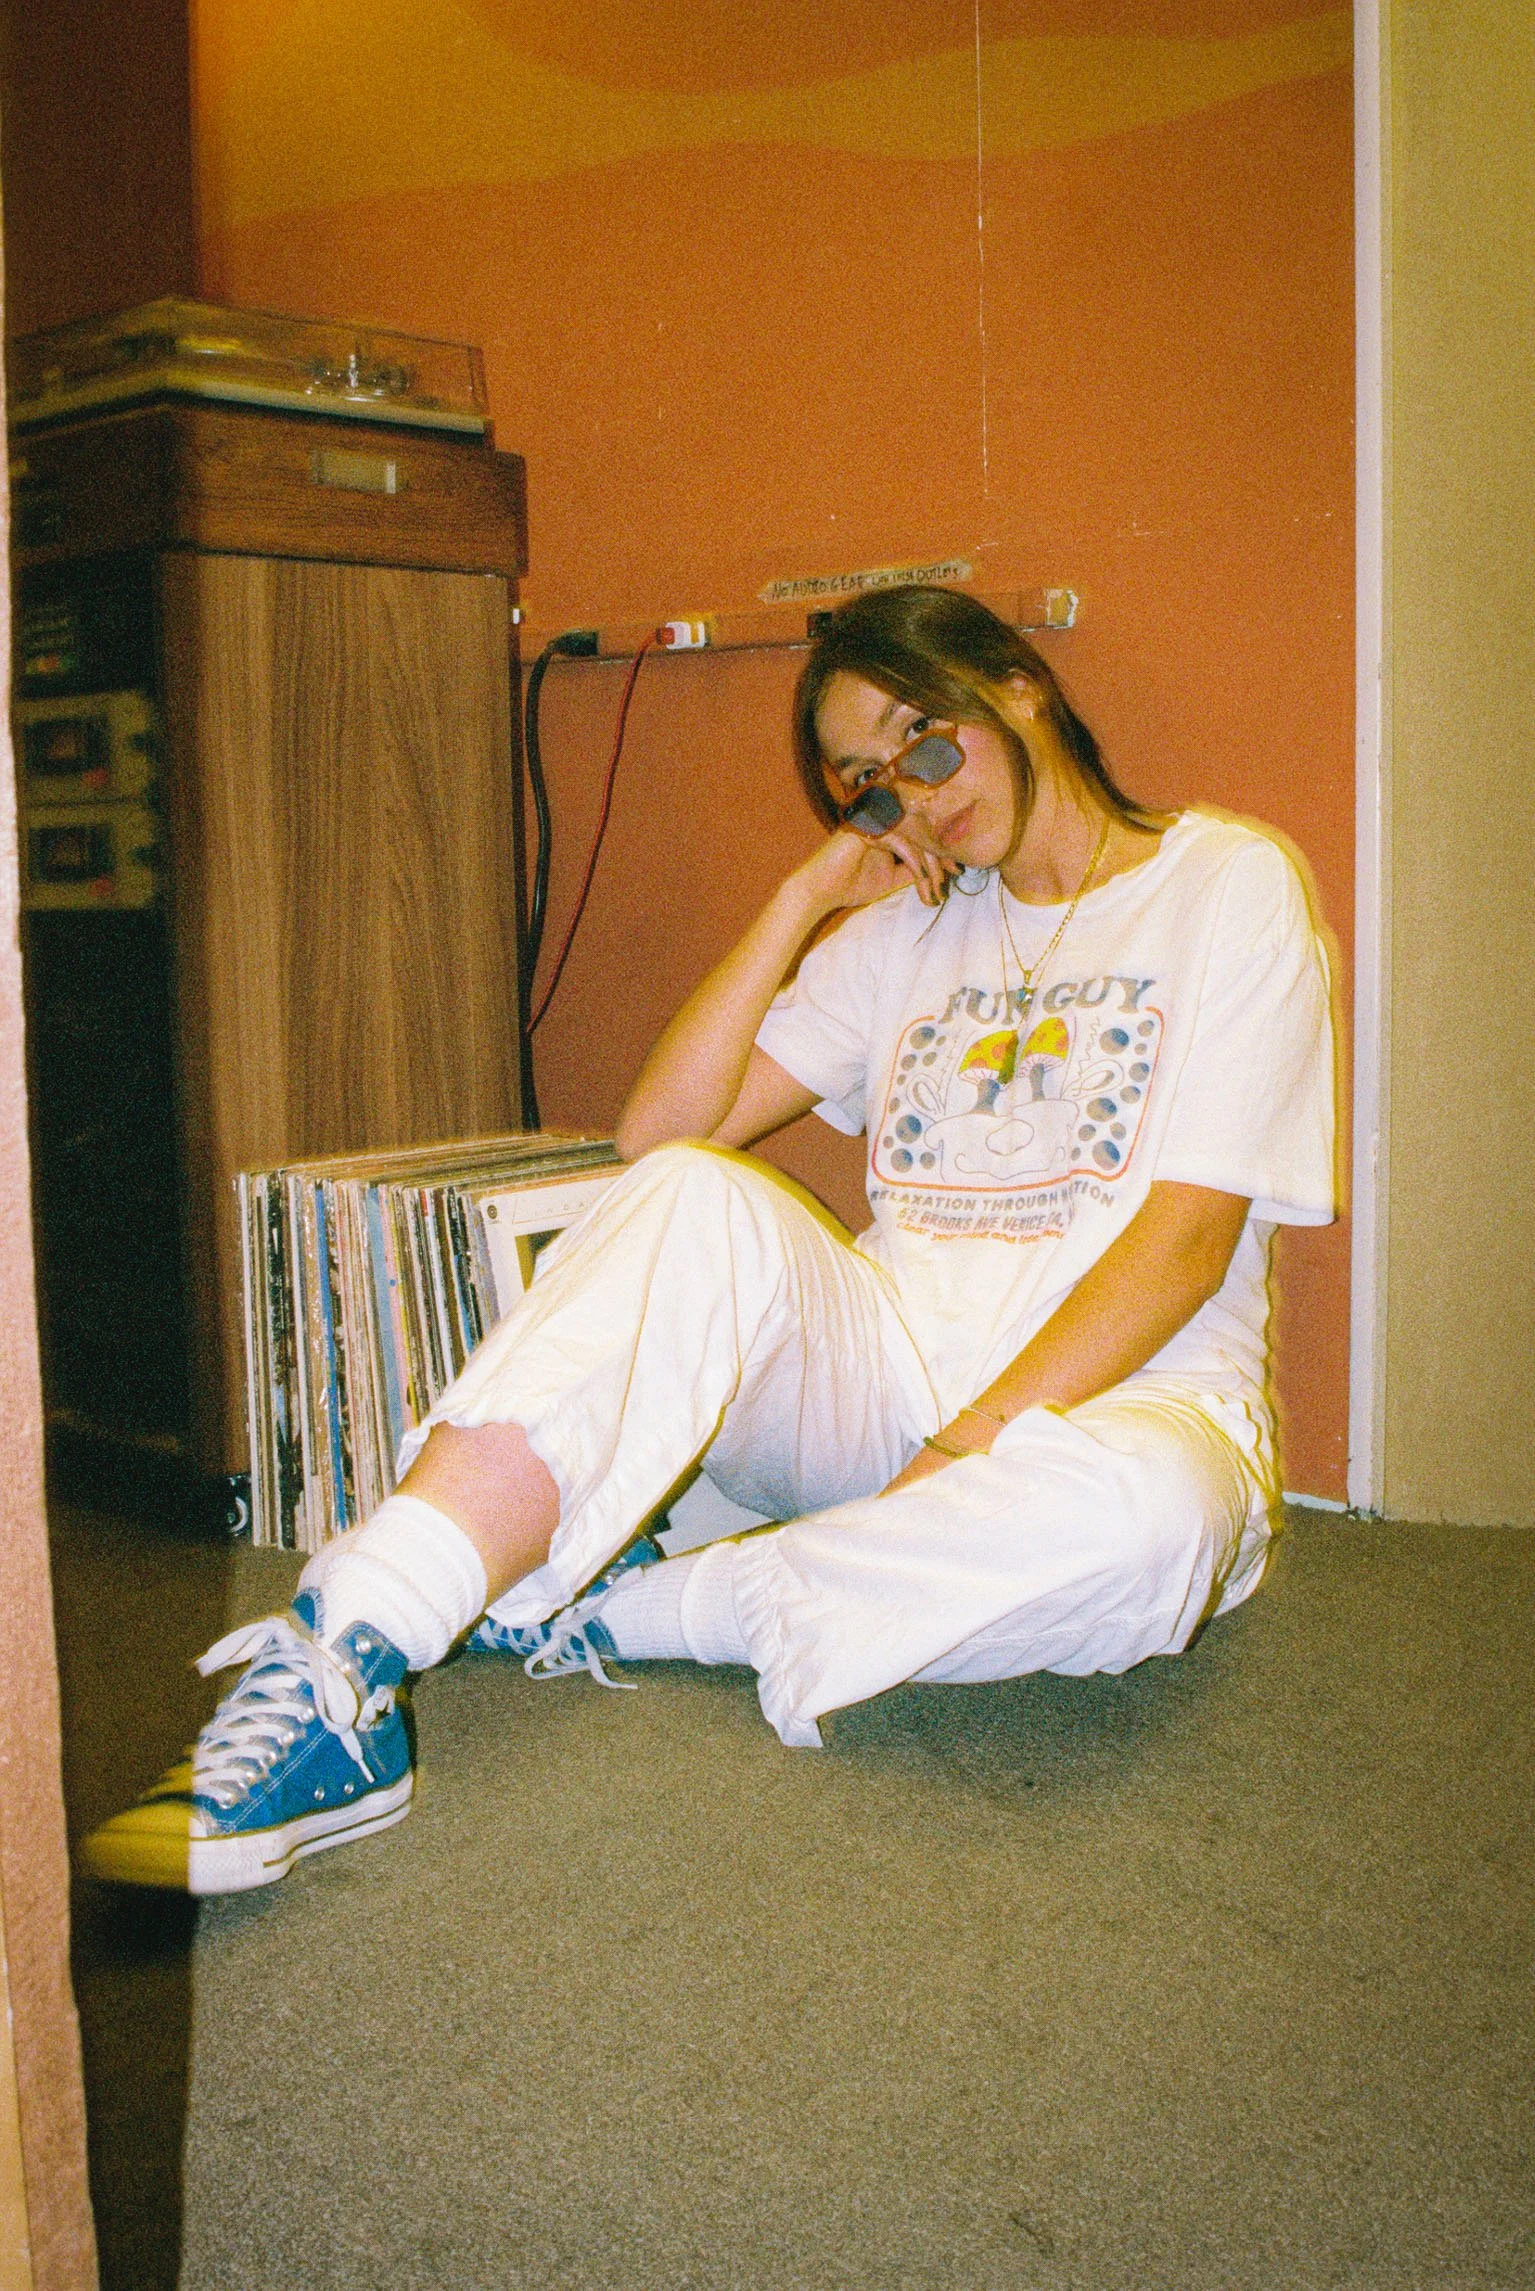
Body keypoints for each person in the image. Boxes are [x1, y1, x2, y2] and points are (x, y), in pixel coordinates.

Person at [83, 585, 1335, 1895]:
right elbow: (655, 1137)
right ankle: (351, 1644)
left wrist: (957, 1459)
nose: (914, 795)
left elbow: (1186, 1242)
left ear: (1013, 682)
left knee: (1148, 1524)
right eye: (869, 783)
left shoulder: (1224, 884)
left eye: (924, 739)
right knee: (693, 1191)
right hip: (888, 1391)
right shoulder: (906, 927)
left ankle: (624, 1605)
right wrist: (805, 896)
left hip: (1121, 1411)